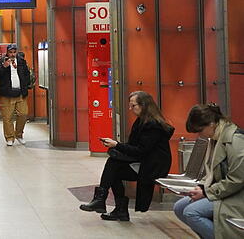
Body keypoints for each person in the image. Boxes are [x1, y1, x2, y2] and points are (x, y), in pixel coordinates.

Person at [79, 91, 174, 221]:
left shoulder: (153, 125)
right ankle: (113, 207)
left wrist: (116, 145)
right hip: (144, 161)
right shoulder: (142, 122)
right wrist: (116, 146)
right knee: (113, 166)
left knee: (113, 166)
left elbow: (140, 150)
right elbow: (135, 147)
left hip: (152, 166)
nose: (130, 109)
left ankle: (105, 201)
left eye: (133, 105)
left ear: (144, 105)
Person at [173, 103, 244, 239]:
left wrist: (207, 192)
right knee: (179, 207)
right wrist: (200, 188)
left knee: (191, 212)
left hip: (237, 196)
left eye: (200, 130)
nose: (201, 135)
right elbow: (214, 174)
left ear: (211, 124)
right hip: (225, 191)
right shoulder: (217, 138)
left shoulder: (235, 140)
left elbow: (237, 179)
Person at [0, 44, 31, 146]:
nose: (13, 54)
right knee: (7, 117)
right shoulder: (1, 62)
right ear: (7, 52)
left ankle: (19, 134)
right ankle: (9, 137)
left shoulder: (21, 61)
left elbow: (27, 74)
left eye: (14, 52)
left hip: (20, 93)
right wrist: (4, 67)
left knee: (23, 114)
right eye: (11, 52)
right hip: (6, 94)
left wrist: (25, 85)